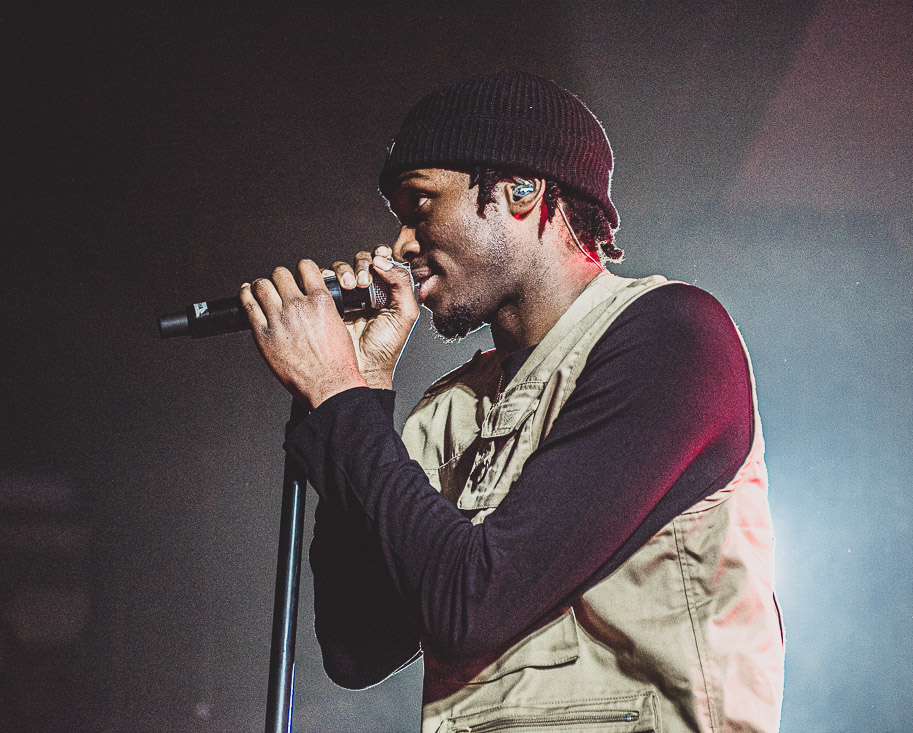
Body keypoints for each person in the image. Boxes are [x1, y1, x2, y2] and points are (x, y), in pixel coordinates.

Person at [239, 70, 784, 733]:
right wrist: (366, 385)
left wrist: (337, 393)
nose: (403, 245)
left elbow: (474, 600)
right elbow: (358, 645)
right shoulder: (450, 411)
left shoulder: (672, 337)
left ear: (523, 190)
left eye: (420, 206)